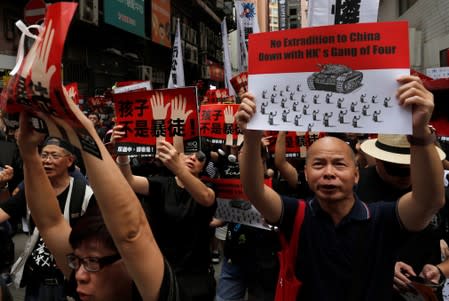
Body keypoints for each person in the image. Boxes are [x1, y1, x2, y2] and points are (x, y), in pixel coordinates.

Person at [235, 75, 445, 300]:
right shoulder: (297, 215)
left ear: (356, 174)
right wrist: (252, 136)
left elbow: (428, 202)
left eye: (339, 164)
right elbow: (255, 190)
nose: (328, 172)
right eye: (318, 164)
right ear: (306, 173)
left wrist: (421, 134)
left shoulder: (381, 219)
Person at [17, 108, 182, 300]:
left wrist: (84, 131)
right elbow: (50, 223)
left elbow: (131, 233)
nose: (79, 275)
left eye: (93, 262)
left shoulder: (153, 294)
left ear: (130, 263)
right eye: (76, 261)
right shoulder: (88, 284)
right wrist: (28, 151)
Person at [113, 125, 217, 301]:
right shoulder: (161, 184)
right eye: (189, 152)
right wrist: (123, 151)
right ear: (179, 154)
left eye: (200, 157)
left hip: (195, 279)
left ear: (204, 165)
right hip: (161, 273)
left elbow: (206, 198)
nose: (193, 158)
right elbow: (128, 181)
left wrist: (178, 168)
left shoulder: (207, 189)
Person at [0, 136, 93, 300]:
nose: (47, 161)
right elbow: (5, 211)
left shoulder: (84, 194)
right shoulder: (32, 190)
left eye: (55, 156)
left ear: (69, 161)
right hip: (36, 280)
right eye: (43, 155)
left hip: (68, 280)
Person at [358, 133, 448, 300]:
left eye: (414, 169)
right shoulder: (353, 189)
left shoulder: (435, 192)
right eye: (395, 170)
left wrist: (441, 270)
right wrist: (378, 265)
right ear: (378, 159)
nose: (406, 177)